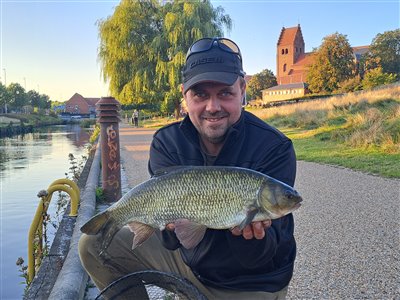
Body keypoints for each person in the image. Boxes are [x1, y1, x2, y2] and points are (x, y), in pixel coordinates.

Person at [79, 37, 297, 299]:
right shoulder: (167, 142)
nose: (213, 107)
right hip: (188, 263)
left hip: (250, 282)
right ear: (184, 95)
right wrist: (169, 226)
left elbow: (264, 257)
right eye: (200, 94)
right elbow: (173, 241)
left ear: (242, 90)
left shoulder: (275, 147)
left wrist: (250, 237)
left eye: (225, 93)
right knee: (92, 244)